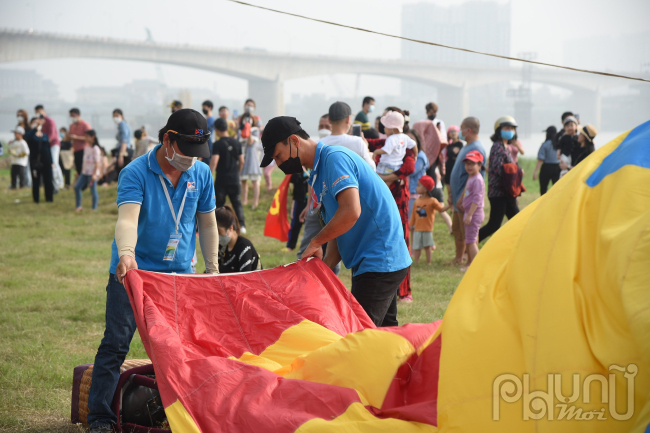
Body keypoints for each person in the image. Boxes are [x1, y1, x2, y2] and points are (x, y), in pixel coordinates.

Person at [87, 109, 219, 433]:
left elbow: (208, 222)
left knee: (181, 348)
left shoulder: (200, 174)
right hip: (133, 273)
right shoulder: (135, 172)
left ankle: (182, 415)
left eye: (196, 154)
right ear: (167, 140)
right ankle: (101, 419)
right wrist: (127, 254)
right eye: (186, 152)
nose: (191, 159)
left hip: (180, 277)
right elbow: (128, 219)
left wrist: (213, 267)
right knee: (116, 344)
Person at [261, 116, 411, 327]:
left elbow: (351, 211)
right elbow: (339, 228)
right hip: (370, 262)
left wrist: (315, 242)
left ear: (294, 141)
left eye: (278, 156)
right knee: (385, 337)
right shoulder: (318, 172)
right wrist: (322, 270)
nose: (278, 164)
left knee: (359, 336)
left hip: (380, 258)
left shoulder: (334, 159)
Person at [449, 117, 486, 265]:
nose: (460, 131)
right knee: (457, 230)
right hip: (459, 197)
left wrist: (462, 198)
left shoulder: (476, 147)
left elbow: (477, 179)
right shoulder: (467, 146)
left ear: (468, 130)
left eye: (461, 128)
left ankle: (471, 261)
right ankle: (459, 258)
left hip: (465, 201)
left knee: (469, 234)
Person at [478, 116, 520, 243]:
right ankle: (468, 245)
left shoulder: (506, 147)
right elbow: (498, 168)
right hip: (499, 193)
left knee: (518, 221)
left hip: (507, 192)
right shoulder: (497, 147)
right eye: (507, 128)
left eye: (512, 128)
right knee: (494, 225)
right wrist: (516, 171)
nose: (510, 130)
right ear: (499, 130)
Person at [210, 118, 246, 232]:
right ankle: (242, 226)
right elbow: (242, 161)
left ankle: (217, 224)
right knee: (237, 203)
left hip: (222, 179)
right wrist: (237, 172)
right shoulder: (237, 142)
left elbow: (214, 161)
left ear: (216, 129)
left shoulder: (217, 144)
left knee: (219, 204)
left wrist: (209, 175)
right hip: (234, 178)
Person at [321, 101, 376, 170]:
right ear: (348, 119)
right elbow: (372, 169)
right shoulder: (358, 142)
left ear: (329, 120)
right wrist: (366, 148)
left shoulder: (318, 144)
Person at [458, 150, 485, 271]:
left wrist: (469, 214)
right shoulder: (472, 177)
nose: (469, 166)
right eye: (467, 163)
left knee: (470, 241)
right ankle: (470, 262)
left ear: (480, 165)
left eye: (472, 163)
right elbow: (467, 191)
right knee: (472, 238)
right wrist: (460, 200)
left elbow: (477, 199)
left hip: (473, 214)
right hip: (470, 212)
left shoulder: (478, 179)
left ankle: (475, 267)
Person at [409, 175, 443, 268]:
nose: (416, 187)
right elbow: (413, 214)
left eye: (418, 185)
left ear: (425, 189)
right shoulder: (416, 201)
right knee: (417, 247)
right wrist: (411, 224)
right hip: (417, 228)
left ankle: (429, 262)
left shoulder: (432, 201)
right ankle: (416, 261)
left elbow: (441, 209)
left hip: (427, 228)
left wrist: (449, 205)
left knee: (428, 246)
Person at [216, 206, 261, 273]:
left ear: (231, 228)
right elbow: (213, 273)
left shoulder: (245, 247)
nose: (217, 236)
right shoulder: (221, 247)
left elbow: (245, 277)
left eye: (219, 231)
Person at [373, 111, 416, 177]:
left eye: (385, 127)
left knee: (378, 178)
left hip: (386, 166)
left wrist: (376, 152)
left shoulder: (391, 139)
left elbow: (386, 150)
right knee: (388, 182)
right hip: (397, 166)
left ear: (392, 129)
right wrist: (415, 155)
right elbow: (414, 145)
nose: (384, 129)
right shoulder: (404, 137)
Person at [238, 99, 262, 210]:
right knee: (243, 179)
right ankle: (244, 200)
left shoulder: (255, 129)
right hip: (243, 155)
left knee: (254, 180)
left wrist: (248, 129)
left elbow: (251, 141)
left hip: (252, 157)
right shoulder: (240, 130)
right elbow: (239, 140)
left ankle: (256, 202)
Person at [35, 105, 63, 193]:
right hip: (46, 145)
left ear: (43, 111)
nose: (39, 114)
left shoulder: (50, 121)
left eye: (40, 112)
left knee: (54, 162)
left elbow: (51, 135)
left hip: (54, 144)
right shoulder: (39, 122)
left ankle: (59, 182)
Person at [25, 117, 54, 203]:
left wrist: (51, 161)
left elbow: (48, 148)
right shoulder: (30, 134)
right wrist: (34, 128)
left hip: (46, 160)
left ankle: (49, 198)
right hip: (35, 160)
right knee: (36, 180)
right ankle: (36, 199)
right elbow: (28, 137)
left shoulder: (44, 135)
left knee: (48, 179)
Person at [74, 130, 102, 212]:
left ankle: (94, 208)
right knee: (77, 187)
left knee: (93, 190)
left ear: (92, 137)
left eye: (87, 137)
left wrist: (94, 174)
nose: (85, 138)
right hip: (85, 173)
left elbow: (97, 162)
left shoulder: (96, 149)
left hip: (92, 173)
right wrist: (81, 171)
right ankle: (78, 206)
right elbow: (84, 161)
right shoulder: (86, 147)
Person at [285, 169, 309, 252]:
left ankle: (309, 246)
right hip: (299, 200)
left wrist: (305, 170)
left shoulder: (312, 167)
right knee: (295, 224)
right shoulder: (296, 170)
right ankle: (290, 246)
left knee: (310, 225)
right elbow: (292, 181)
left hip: (312, 201)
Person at [532, 126, 560, 195]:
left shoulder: (545, 144)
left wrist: (535, 171)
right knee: (557, 190)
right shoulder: (559, 144)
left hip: (546, 167)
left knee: (543, 189)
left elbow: (540, 159)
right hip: (557, 167)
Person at [68, 107, 92, 176]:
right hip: (76, 149)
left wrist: (77, 138)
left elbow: (90, 138)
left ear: (78, 115)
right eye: (71, 116)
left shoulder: (85, 125)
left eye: (73, 116)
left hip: (84, 149)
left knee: (84, 167)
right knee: (78, 167)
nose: (72, 117)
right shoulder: (72, 126)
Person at [112, 109, 132, 178]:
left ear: (122, 116)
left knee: (122, 174)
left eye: (117, 116)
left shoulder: (122, 125)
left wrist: (121, 155)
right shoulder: (122, 125)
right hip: (124, 150)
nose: (115, 118)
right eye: (114, 116)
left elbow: (124, 141)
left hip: (124, 150)